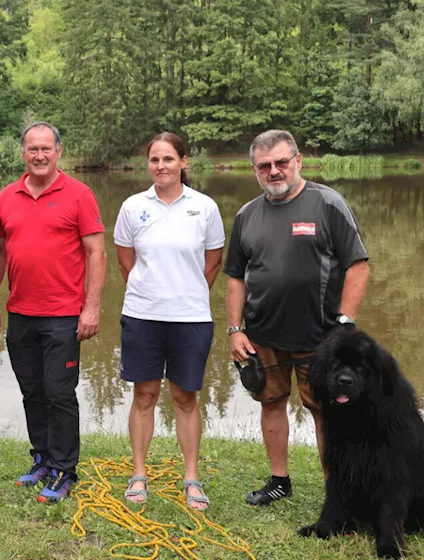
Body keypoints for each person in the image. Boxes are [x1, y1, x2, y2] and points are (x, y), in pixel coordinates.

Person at [224, 129, 370, 505]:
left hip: (321, 337)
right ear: (254, 169)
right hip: (263, 334)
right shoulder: (246, 215)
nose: (274, 171)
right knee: (271, 404)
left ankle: (336, 490)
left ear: (298, 161)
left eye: (281, 163)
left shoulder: (327, 203)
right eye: (264, 166)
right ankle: (279, 481)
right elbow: (236, 278)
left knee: (326, 411)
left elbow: (358, 266)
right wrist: (236, 329)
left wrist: (344, 324)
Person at [0, 122, 105, 503]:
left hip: (63, 315)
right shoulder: (7, 196)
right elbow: (1, 252)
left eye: (46, 149)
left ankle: (64, 470)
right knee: (32, 391)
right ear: (22, 153)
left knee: (59, 393)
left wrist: (91, 308)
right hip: (21, 312)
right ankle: (40, 458)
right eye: (32, 149)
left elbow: (96, 253)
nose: (39, 155)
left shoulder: (79, 194)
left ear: (58, 151)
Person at [113, 133, 225, 511]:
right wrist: (152, 292)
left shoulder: (205, 207)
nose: (161, 166)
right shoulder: (132, 206)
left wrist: (185, 292)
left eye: (168, 159)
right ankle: (139, 474)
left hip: (191, 318)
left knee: (185, 398)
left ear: (183, 162)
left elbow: (212, 263)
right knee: (143, 396)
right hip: (142, 315)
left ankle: (191, 478)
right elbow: (125, 260)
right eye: (154, 160)